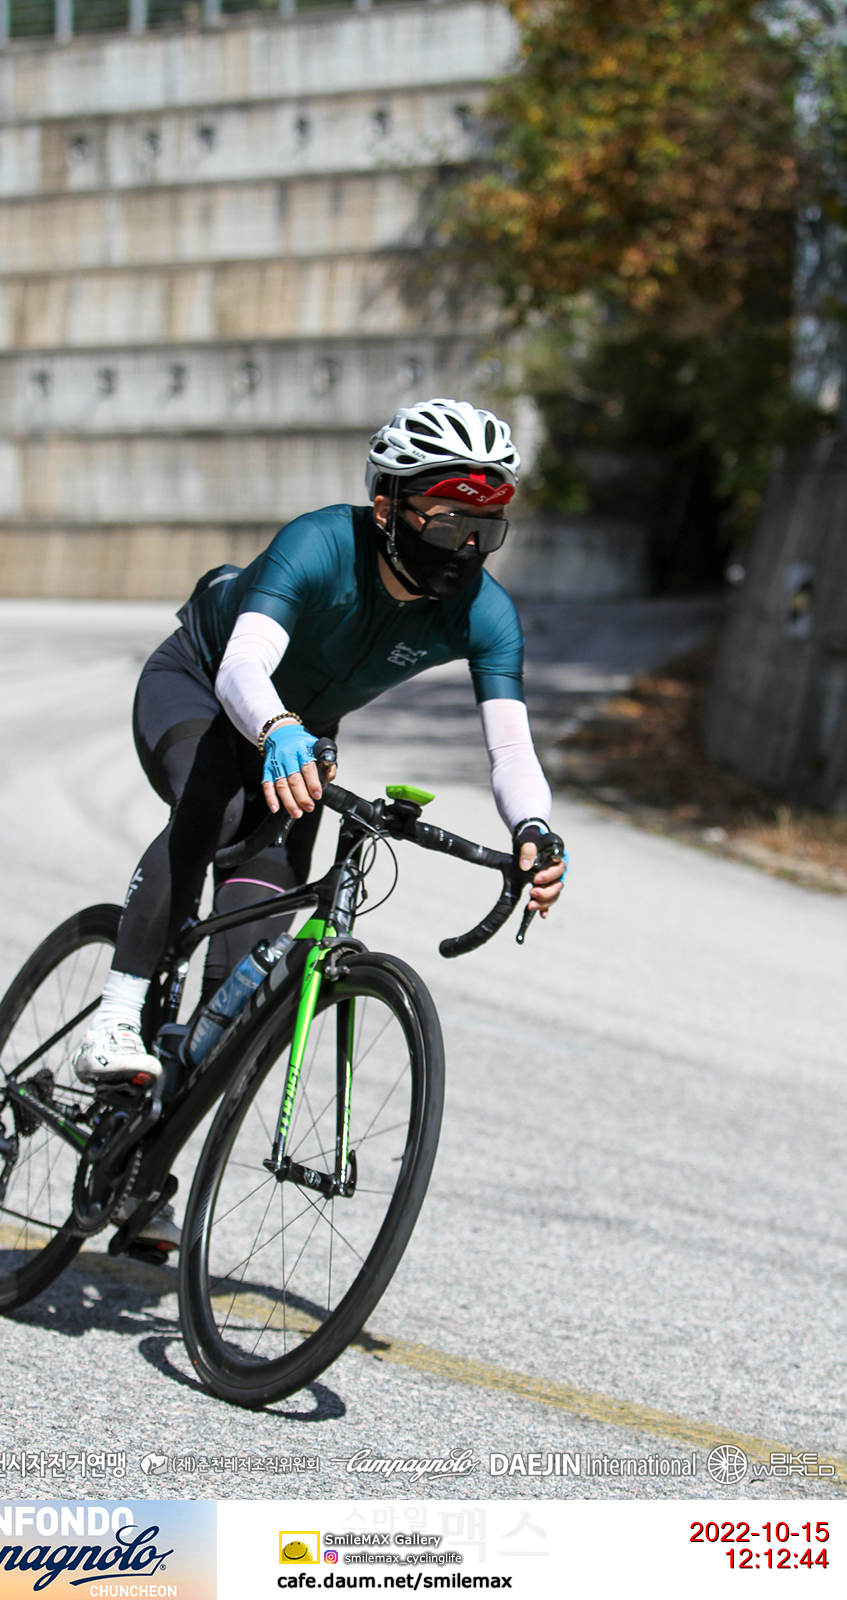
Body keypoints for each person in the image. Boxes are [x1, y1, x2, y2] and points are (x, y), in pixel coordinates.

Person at [71, 398, 566, 1249]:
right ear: (387, 508)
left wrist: (533, 828)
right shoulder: (321, 543)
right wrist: (277, 728)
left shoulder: (485, 613)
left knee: (243, 981)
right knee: (222, 805)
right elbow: (244, 665)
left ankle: (142, 1164)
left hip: (297, 735)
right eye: (448, 524)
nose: (467, 549)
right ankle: (116, 1015)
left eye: (487, 530)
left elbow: (511, 748)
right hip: (204, 688)